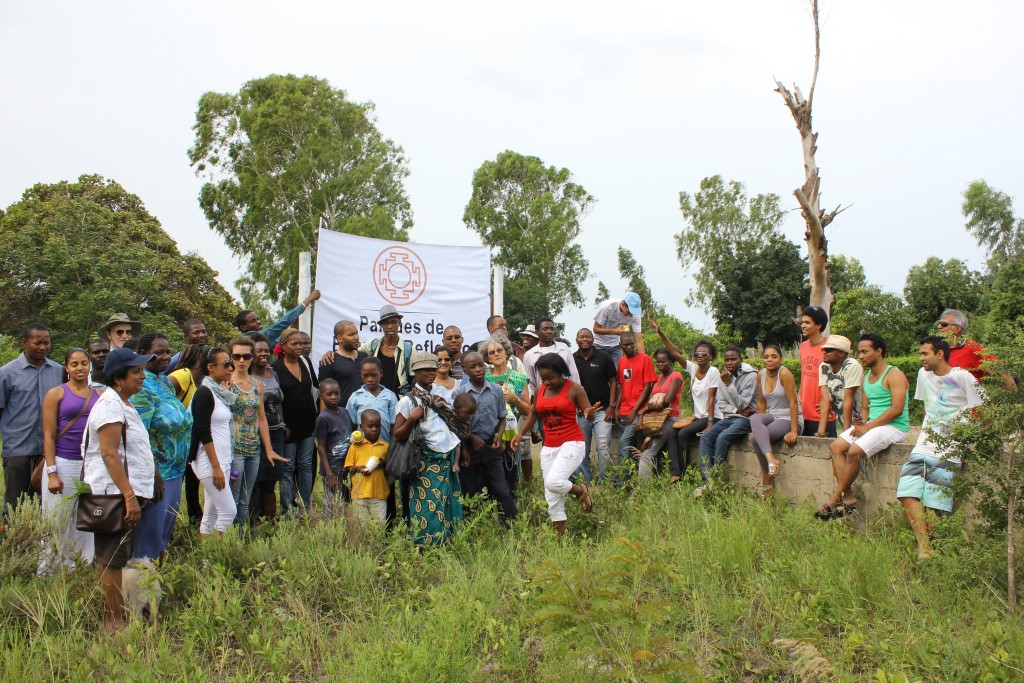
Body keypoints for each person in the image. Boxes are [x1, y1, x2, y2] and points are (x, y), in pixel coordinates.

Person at [81, 347, 157, 631]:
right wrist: (129, 496)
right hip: (112, 495)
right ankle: (112, 620)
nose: (142, 376)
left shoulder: (123, 403)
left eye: (142, 370)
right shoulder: (110, 406)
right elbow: (110, 454)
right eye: (136, 371)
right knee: (111, 558)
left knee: (117, 555)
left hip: (123, 493)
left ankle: (121, 613)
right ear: (118, 378)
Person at [897, 336, 984, 560]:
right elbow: (927, 407)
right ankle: (925, 548)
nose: (921, 358)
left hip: (950, 449)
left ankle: (930, 553)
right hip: (924, 444)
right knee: (906, 492)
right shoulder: (922, 374)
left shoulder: (963, 377)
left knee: (935, 507)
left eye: (925, 353)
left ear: (940, 354)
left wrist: (975, 439)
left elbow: (984, 410)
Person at [818, 333, 910, 520]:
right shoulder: (867, 376)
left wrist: (867, 428)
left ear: (879, 351)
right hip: (874, 425)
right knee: (835, 447)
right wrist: (861, 422)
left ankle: (836, 498)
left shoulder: (895, 374)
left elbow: (897, 410)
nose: (860, 356)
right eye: (859, 352)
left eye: (865, 351)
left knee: (854, 451)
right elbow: (867, 408)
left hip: (894, 426)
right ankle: (849, 497)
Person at [512, 353, 599, 534]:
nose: (547, 382)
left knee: (554, 482)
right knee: (551, 495)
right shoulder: (541, 390)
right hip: (549, 446)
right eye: (543, 378)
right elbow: (534, 414)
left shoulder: (574, 389)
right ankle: (560, 539)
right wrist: (520, 433)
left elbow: (587, 413)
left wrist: (590, 413)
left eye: (551, 378)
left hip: (572, 443)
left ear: (561, 373)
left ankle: (580, 490)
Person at [129, 333, 194, 560]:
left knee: (163, 535)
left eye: (168, 351)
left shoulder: (164, 382)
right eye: (160, 352)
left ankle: (155, 585)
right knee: (149, 536)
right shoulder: (141, 386)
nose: (166, 356)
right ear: (143, 354)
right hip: (157, 474)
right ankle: (139, 589)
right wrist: (152, 472)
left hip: (175, 471)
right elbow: (140, 435)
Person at [393, 352, 464, 547]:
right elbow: (397, 434)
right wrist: (412, 418)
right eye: (425, 370)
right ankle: (426, 546)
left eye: (433, 369)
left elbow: (452, 424)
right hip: (426, 461)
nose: (430, 373)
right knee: (426, 505)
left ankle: (448, 542)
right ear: (415, 371)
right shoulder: (408, 401)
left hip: (447, 457)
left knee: (448, 501)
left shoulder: (440, 394)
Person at [39, 348, 99, 571]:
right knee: (57, 518)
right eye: (74, 364)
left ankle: (80, 565)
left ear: (89, 366)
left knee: (85, 519)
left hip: (88, 465)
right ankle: (48, 569)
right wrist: (52, 472)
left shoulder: (98, 395)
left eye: (84, 363)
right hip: (63, 462)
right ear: (66, 368)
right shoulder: (57, 393)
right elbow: (48, 435)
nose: (80, 368)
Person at [0, 323, 63, 515]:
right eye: (38, 343)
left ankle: (46, 546)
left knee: (49, 507)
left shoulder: (59, 372)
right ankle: (17, 545)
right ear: (25, 342)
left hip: (50, 452)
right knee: (15, 508)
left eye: (46, 342)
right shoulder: (7, 373)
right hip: (18, 449)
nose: (43, 347)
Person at [452, 352, 517, 522]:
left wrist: (499, 436)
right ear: (465, 370)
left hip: (491, 446)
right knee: (470, 489)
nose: (478, 369)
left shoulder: (496, 390)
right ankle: (473, 526)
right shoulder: (459, 393)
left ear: (485, 365)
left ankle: (510, 524)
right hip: (469, 449)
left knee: (501, 488)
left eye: (480, 365)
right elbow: (455, 424)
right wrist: (468, 441)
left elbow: (502, 416)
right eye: (472, 367)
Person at [228, 336, 286, 528]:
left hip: (253, 448)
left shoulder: (257, 385)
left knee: (246, 496)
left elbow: (261, 418)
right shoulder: (225, 384)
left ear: (252, 358)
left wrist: (268, 449)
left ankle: (243, 536)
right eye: (237, 356)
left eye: (246, 356)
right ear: (231, 358)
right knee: (233, 497)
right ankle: (230, 537)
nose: (241, 361)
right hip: (233, 449)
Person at [188, 347, 237, 536]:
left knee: (211, 513)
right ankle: (218, 554)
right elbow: (203, 431)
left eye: (230, 364)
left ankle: (207, 562)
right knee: (228, 512)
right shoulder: (204, 393)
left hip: (221, 460)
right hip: (209, 462)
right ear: (210, 367)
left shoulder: (219, 392)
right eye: (226, 364)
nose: (230, 368)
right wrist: (216, 467)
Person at [273, 328, 320, 513]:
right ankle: (288, 507)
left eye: (301, 343)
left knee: (306, 465)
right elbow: (275, 400)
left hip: (308, 422)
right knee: (288, 466)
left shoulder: (306, 362)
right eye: (294, 344)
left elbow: (316, 389)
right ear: (284, 346)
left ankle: (305, 506)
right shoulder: (275, 368)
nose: (299, 347)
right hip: (288, 426)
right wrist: (281, 423)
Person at [697, 346, 757, 483]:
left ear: (741, 360)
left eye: (733, 359)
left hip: (746, 419)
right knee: (705, 437)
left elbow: (743, 404)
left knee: (722, 438)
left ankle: (717, 478)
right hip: (731, 417)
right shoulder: (723, 376)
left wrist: (729, 385)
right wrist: (736, 410)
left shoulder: (751, 376)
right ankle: (707, 480)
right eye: (726, 360)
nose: (729, 362)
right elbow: (722, 404)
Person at [750, 345, 803, 499]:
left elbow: (793, 402)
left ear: (780, 359)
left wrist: (794, 430)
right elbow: (761, 402)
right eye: (766, 357)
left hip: (790, 417)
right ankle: (771, 460)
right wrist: (759, 425)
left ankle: (767, 477)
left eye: (774, 356)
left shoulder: (784, 373)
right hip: (773, 415)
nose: (769, 360)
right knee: (754, 418)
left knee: (755, 438)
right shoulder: (761, 374)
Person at [482, 335, 531, 490]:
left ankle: (511, 510)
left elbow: (529, 412)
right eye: (491, 353)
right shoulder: (483, 377)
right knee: (488, 478)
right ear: (488, 358)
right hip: (488, 434)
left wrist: (515, 399)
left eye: (499, 350)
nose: (496, 354)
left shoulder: (520, 378)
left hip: (510, 434)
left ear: (507, 353)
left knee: (510, 476)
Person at [572, 329, 617, 483]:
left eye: (588, 337)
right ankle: (587, 484)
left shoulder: (604, 357)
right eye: (582, 337)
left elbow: (613, 381)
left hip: (602, 411)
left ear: (593, 339)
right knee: (581, 451)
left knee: (603, 448)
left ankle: (605, 484)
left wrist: (612, 405)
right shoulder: (572, 359)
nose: (585, 339)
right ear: (576, 340)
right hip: (581, 413)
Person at [249, 335, 286, 524]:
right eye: (259, 351)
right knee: (254, 482)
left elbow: (279, 402)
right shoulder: (247, 379)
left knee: (271, 482)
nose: (264, 354)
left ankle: (270, 523)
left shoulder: (274, 375)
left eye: (266, 350)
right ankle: (252, 523)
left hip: (276, 434)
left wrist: (283, 423)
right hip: (253, 436)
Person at [631, 349, 683, 480]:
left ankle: (642, 491)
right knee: (644, 448)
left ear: (671, 362)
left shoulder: (676, 376)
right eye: (658, 362)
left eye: (663, 362)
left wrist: (646, 409)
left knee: (647, 454)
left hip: (670, 418)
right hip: (654, 419)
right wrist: (642, 415)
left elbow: (667, 401)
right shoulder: (657, 378)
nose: (660, 364)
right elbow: (650, 401)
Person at [167, 343, 205, 525]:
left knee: (192, 480)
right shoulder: (182, 375)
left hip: (190, 439)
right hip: (177, 439)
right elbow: (164, 393)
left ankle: (194, 516)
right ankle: (170, 520)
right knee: (180, 481)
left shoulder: (197, 379)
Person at [613, 331, 655, 480]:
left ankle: (619, 481)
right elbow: (622, 387)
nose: (630, 346)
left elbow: (647, 387)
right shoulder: (622, 361)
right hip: (623, 411)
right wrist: (617, 408)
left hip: (636, 413)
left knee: (624, 443)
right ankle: (630, 481)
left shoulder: (645, 359)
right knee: (630, 447)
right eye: (626, 344)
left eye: (632, 343)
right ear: (620, 345)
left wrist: (636, 411)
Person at [314, 378, 354, 517]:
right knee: (332, 505)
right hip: (333, 469)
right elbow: (320, 447)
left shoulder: (345, 412)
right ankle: (330, 533)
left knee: (347, 502)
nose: (333, 397)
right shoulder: (323, 418)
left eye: (336, 393)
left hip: (347, 467)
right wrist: (329, 474)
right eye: (329, 394)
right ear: (321, 395)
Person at [356, 305, 414, 396]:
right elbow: (351, 353)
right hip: (376, 398)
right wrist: (332, 354)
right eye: (386, 323)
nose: (390, 326)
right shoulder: (372, 345)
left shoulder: (408, 349)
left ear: (399, 323)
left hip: (400, 401)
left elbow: (413, 378)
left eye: (393, 322)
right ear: (381, 325)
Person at [345, 409, 390, 525]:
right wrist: (359, 469)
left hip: (379, 494)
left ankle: (377, 543)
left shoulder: (385, 446)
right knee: (361, 526)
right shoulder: (355, 446)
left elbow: (391, 468)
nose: (374, 429)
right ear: (362, 427)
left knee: (379, 526)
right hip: (359, 494)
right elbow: (348, 467)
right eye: (370, 426)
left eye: (377, 426)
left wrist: (384, 463)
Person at [235, 289, 322, 346]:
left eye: (258, 319)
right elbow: (283, 322)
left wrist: (293, 326)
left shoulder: (264, 339)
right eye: (253, 321)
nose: (258, 322)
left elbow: (279, 342)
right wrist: (309, 299)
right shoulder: (255, 337)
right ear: (243, 327)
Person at [816, 335, 864, 436]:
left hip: (862, 422)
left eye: (828, 350)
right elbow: (825, 400)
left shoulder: (851, 366)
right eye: (824, 349)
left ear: (841, 353)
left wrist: (845, 434)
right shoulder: (824, 366)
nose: (824, 352)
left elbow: (848, 399)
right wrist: (821, 432)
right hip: (845, 421)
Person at [799, 306, 835, 437]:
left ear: (819, 325)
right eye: (802, 322)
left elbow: (839, 379)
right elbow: (804, 376)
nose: (803, 325)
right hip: (803, 412)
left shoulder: (830, 348)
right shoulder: (802, 347)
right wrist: (799, 396)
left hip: (822, 414)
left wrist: (831, 401)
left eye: (807, 322)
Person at [346, 357, 398, 443]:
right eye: (365, 376)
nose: (369, 379)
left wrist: (393, 447)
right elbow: (351, 424)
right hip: (362, 446)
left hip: (385, 445)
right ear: (360, 375)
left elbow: (394, 424)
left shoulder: (390, 396)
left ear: (381, 373)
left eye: (374, 375)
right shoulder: (356, 396)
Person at [523, 317, 581, 394]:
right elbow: (530, 383)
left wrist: (577, 393)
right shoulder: (529, 355)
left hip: (566, 395)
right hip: (543, 397)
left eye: (552, 329)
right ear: (537, 333)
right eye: (545, 329)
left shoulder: (564, 348)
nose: (549, 331)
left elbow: (573, 373)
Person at [317, 320, 367, 407]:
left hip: (366, 414)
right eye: (351, 335)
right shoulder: (329, 361)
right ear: (339, 338)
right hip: (342, 415)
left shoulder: (365, 357)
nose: (356, 337)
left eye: (356, 333)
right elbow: (324, 395)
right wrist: (325, 418)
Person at [592, 293, 644, 364]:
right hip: (599, 344)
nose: (631, 315)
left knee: (617, 372)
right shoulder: (607, 307)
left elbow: (639, 340)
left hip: (616, 346)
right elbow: (595, 329)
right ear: (623, 305)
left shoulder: (636, 315)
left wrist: (643, 361)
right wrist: (614, 331)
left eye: (634, 312)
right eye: (630, 311)